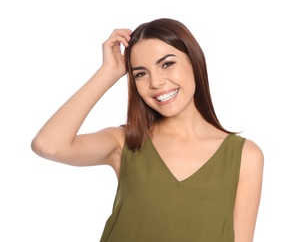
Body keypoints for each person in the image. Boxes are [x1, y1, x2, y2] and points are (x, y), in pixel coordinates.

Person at [31, 18, 264, 242]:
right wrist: (108, 72)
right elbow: (48, 145)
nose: (155, 82)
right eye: (140, 73)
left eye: (167, 64)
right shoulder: (126, 142)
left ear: (194, 61)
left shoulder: (244, 156)